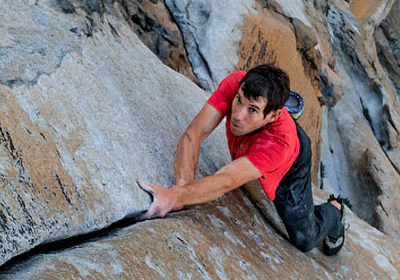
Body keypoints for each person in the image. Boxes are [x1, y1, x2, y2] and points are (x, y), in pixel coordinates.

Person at [138, 62, 346, 256]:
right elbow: (194, 134)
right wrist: (181, 190)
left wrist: (176, 197)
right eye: (238, 100)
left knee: (305, 238)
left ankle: (334, 213)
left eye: (252, 110)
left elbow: (227, 180)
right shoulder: (238, 83)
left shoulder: (280, 145)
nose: (237, 115)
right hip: (268, 130)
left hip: (292, 157)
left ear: (272, 116)